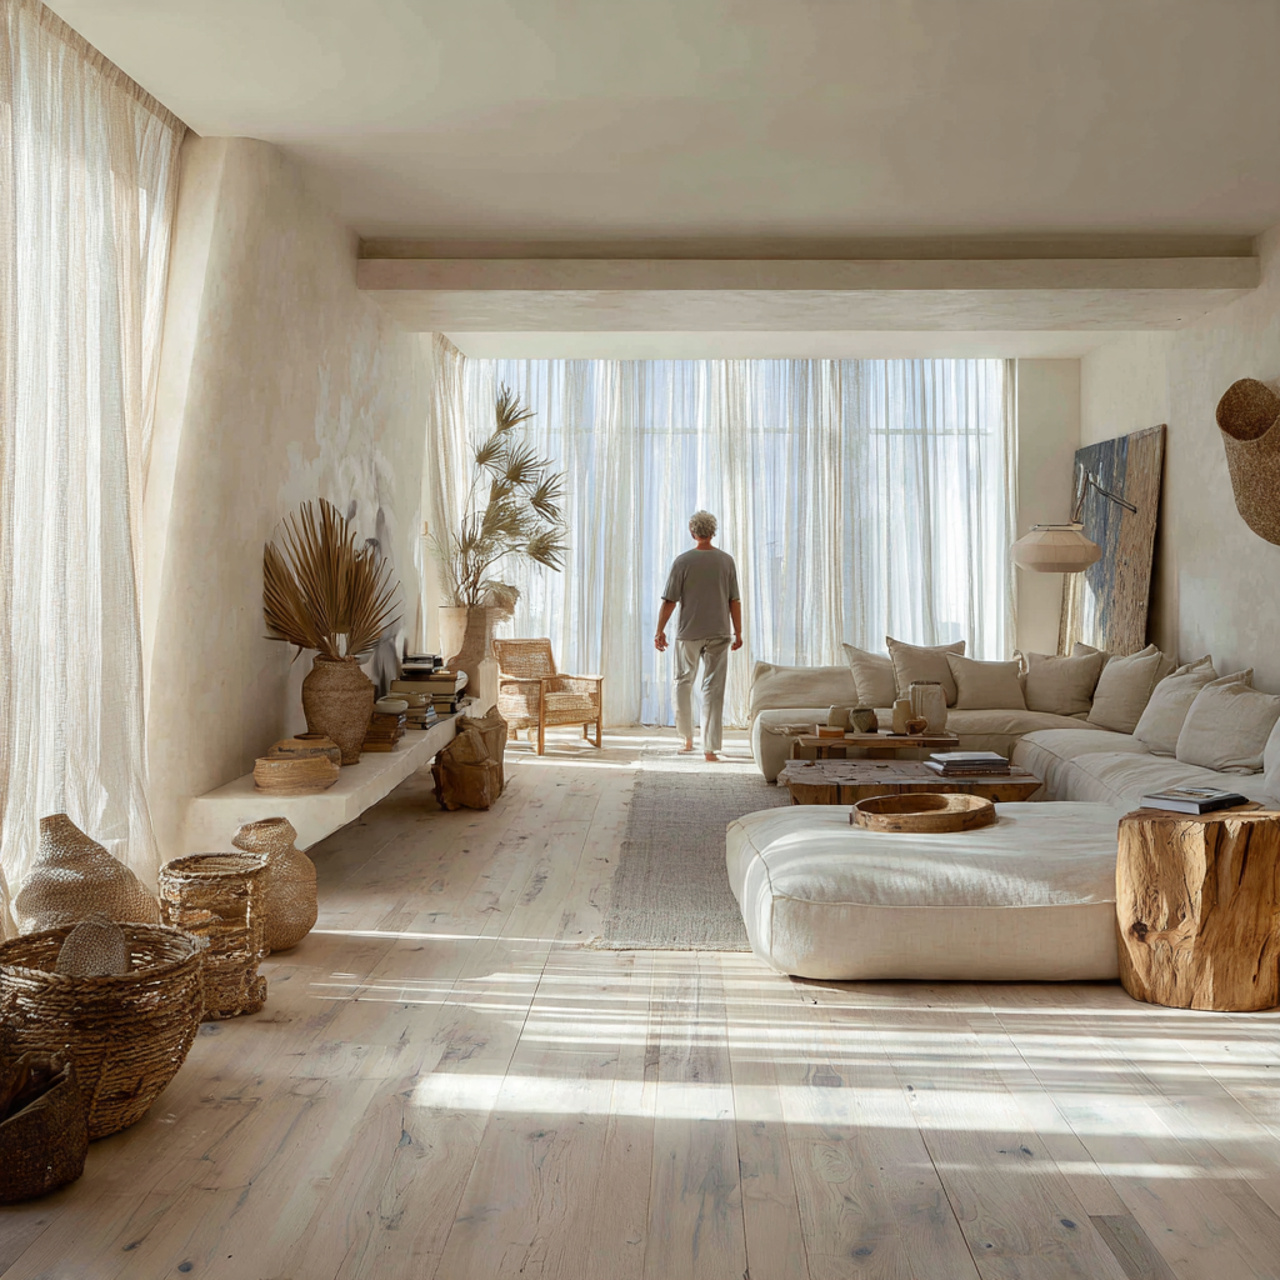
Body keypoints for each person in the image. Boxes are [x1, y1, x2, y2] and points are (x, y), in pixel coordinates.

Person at [654, 510, 743, 761]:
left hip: (689, 633)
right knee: (713, 688)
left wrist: (659, 630)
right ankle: (710, 749)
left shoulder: (682, 561)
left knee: (683, 683)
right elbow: (734, 600)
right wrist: (739, 631)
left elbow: (670, 600)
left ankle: (686, 739)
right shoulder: (726, 561)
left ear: (692, 532)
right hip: (719, 632)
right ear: (713, 532)